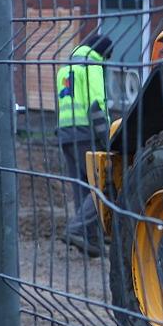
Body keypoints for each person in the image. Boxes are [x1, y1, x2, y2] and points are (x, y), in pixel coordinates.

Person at [55, 32, 112, 256]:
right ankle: (77, 229)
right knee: (104, 184)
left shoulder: (66, 67)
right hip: (85, 134)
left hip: (65, 135)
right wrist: (106, 139)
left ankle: (91, 242)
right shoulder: (92, 64)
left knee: (82, 188)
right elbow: (96, 104)